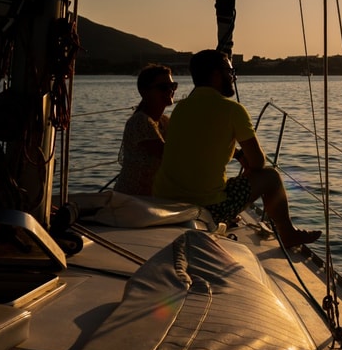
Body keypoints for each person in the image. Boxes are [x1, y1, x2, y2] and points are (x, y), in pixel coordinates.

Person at [152, 49, 321, 246]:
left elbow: (202, 142)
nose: (234, 77)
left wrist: (238, 154)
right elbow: (258, 163)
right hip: (205, 207)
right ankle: (288, 233)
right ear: (216, 74)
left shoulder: (181, 108)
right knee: (271, 177)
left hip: (164, 201)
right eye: (230, 71)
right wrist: (248, 163)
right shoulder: (233, 110)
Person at [113, 64, 176, 196]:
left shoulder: (164, 121)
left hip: (151, 198)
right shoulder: (140, 121)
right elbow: (168, 155)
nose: (170, 90)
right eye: (164, 87)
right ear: (144, 91)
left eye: (173, 86)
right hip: (132, 199)